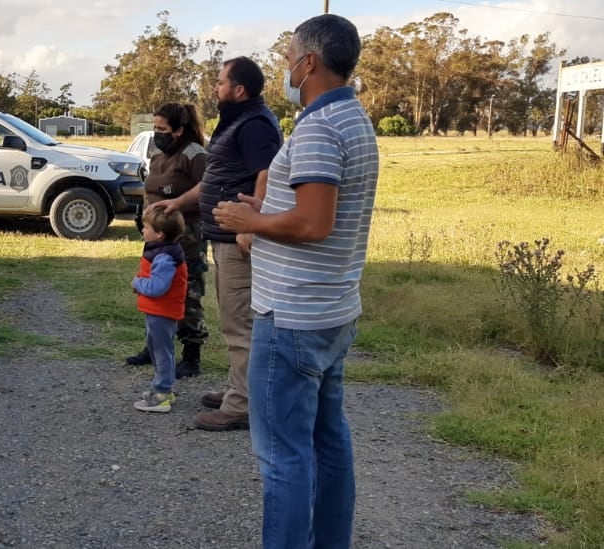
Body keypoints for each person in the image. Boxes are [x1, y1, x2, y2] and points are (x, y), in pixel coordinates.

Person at [212, 14, 378, 548]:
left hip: (292, 318)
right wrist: (267, 206)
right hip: (331, 310)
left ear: (309, 63)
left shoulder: (319, 127)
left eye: (287, 60)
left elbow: (312, 222)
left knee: (283, 456)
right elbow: (315, 206)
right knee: (328, 442)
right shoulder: (352, 118)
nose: (284, 70)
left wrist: (251, 223)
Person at [151, 57, 282, 432]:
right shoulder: (237, 120)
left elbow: (267, 173)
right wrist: (178, 203)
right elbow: (216, 179)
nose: (215, 87)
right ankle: (236, 390)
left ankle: (241, 405)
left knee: (239, 324)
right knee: (232, 320)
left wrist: (253, 225)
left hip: (237, 239)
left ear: (239, 89)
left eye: (221, 81)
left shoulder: (255, 124)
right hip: (223, 236)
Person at [124, 103, 209, 380]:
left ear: (179, 130)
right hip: (156, 234)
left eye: (162, 129)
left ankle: (191, 355)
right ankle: (154, 347)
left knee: (188, 292)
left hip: (186, 235)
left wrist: (179, 203)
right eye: (155, 128)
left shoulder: (194, 154)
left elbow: (207, 185)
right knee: (154, 289)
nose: (156, 133)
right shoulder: (159, 153)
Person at [131, 208, 188, 413]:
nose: (143, 231)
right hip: (159, 311)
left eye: (146, 227)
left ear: (160, 234)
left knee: (162, 351)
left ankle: (162, 393)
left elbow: (157, 287)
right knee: (159, 348)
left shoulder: (164, 257)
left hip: (162, 312)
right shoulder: (163, 250)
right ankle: (164, 389)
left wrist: (138, 283)